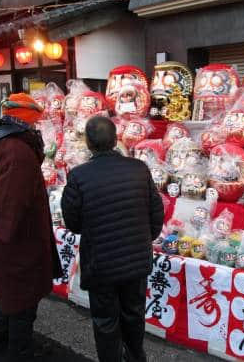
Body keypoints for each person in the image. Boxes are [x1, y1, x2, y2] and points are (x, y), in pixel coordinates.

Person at [0, 93, 61, 361]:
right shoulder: (17, 150)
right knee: (22, 298)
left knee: (6, 291)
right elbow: (9, 198)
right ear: (27, 121)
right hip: (18, 239)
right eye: (34, 123)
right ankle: (20, 351)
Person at [62, 116, 164, 362]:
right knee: (134, 314)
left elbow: (73, 223)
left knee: (106, 321)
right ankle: (136, 357)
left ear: (88, 143)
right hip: (135, 261)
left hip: (101, 263)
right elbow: (156, 212)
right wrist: (142, 239)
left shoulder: (79, 176)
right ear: (115, 139)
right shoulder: (139, 168)